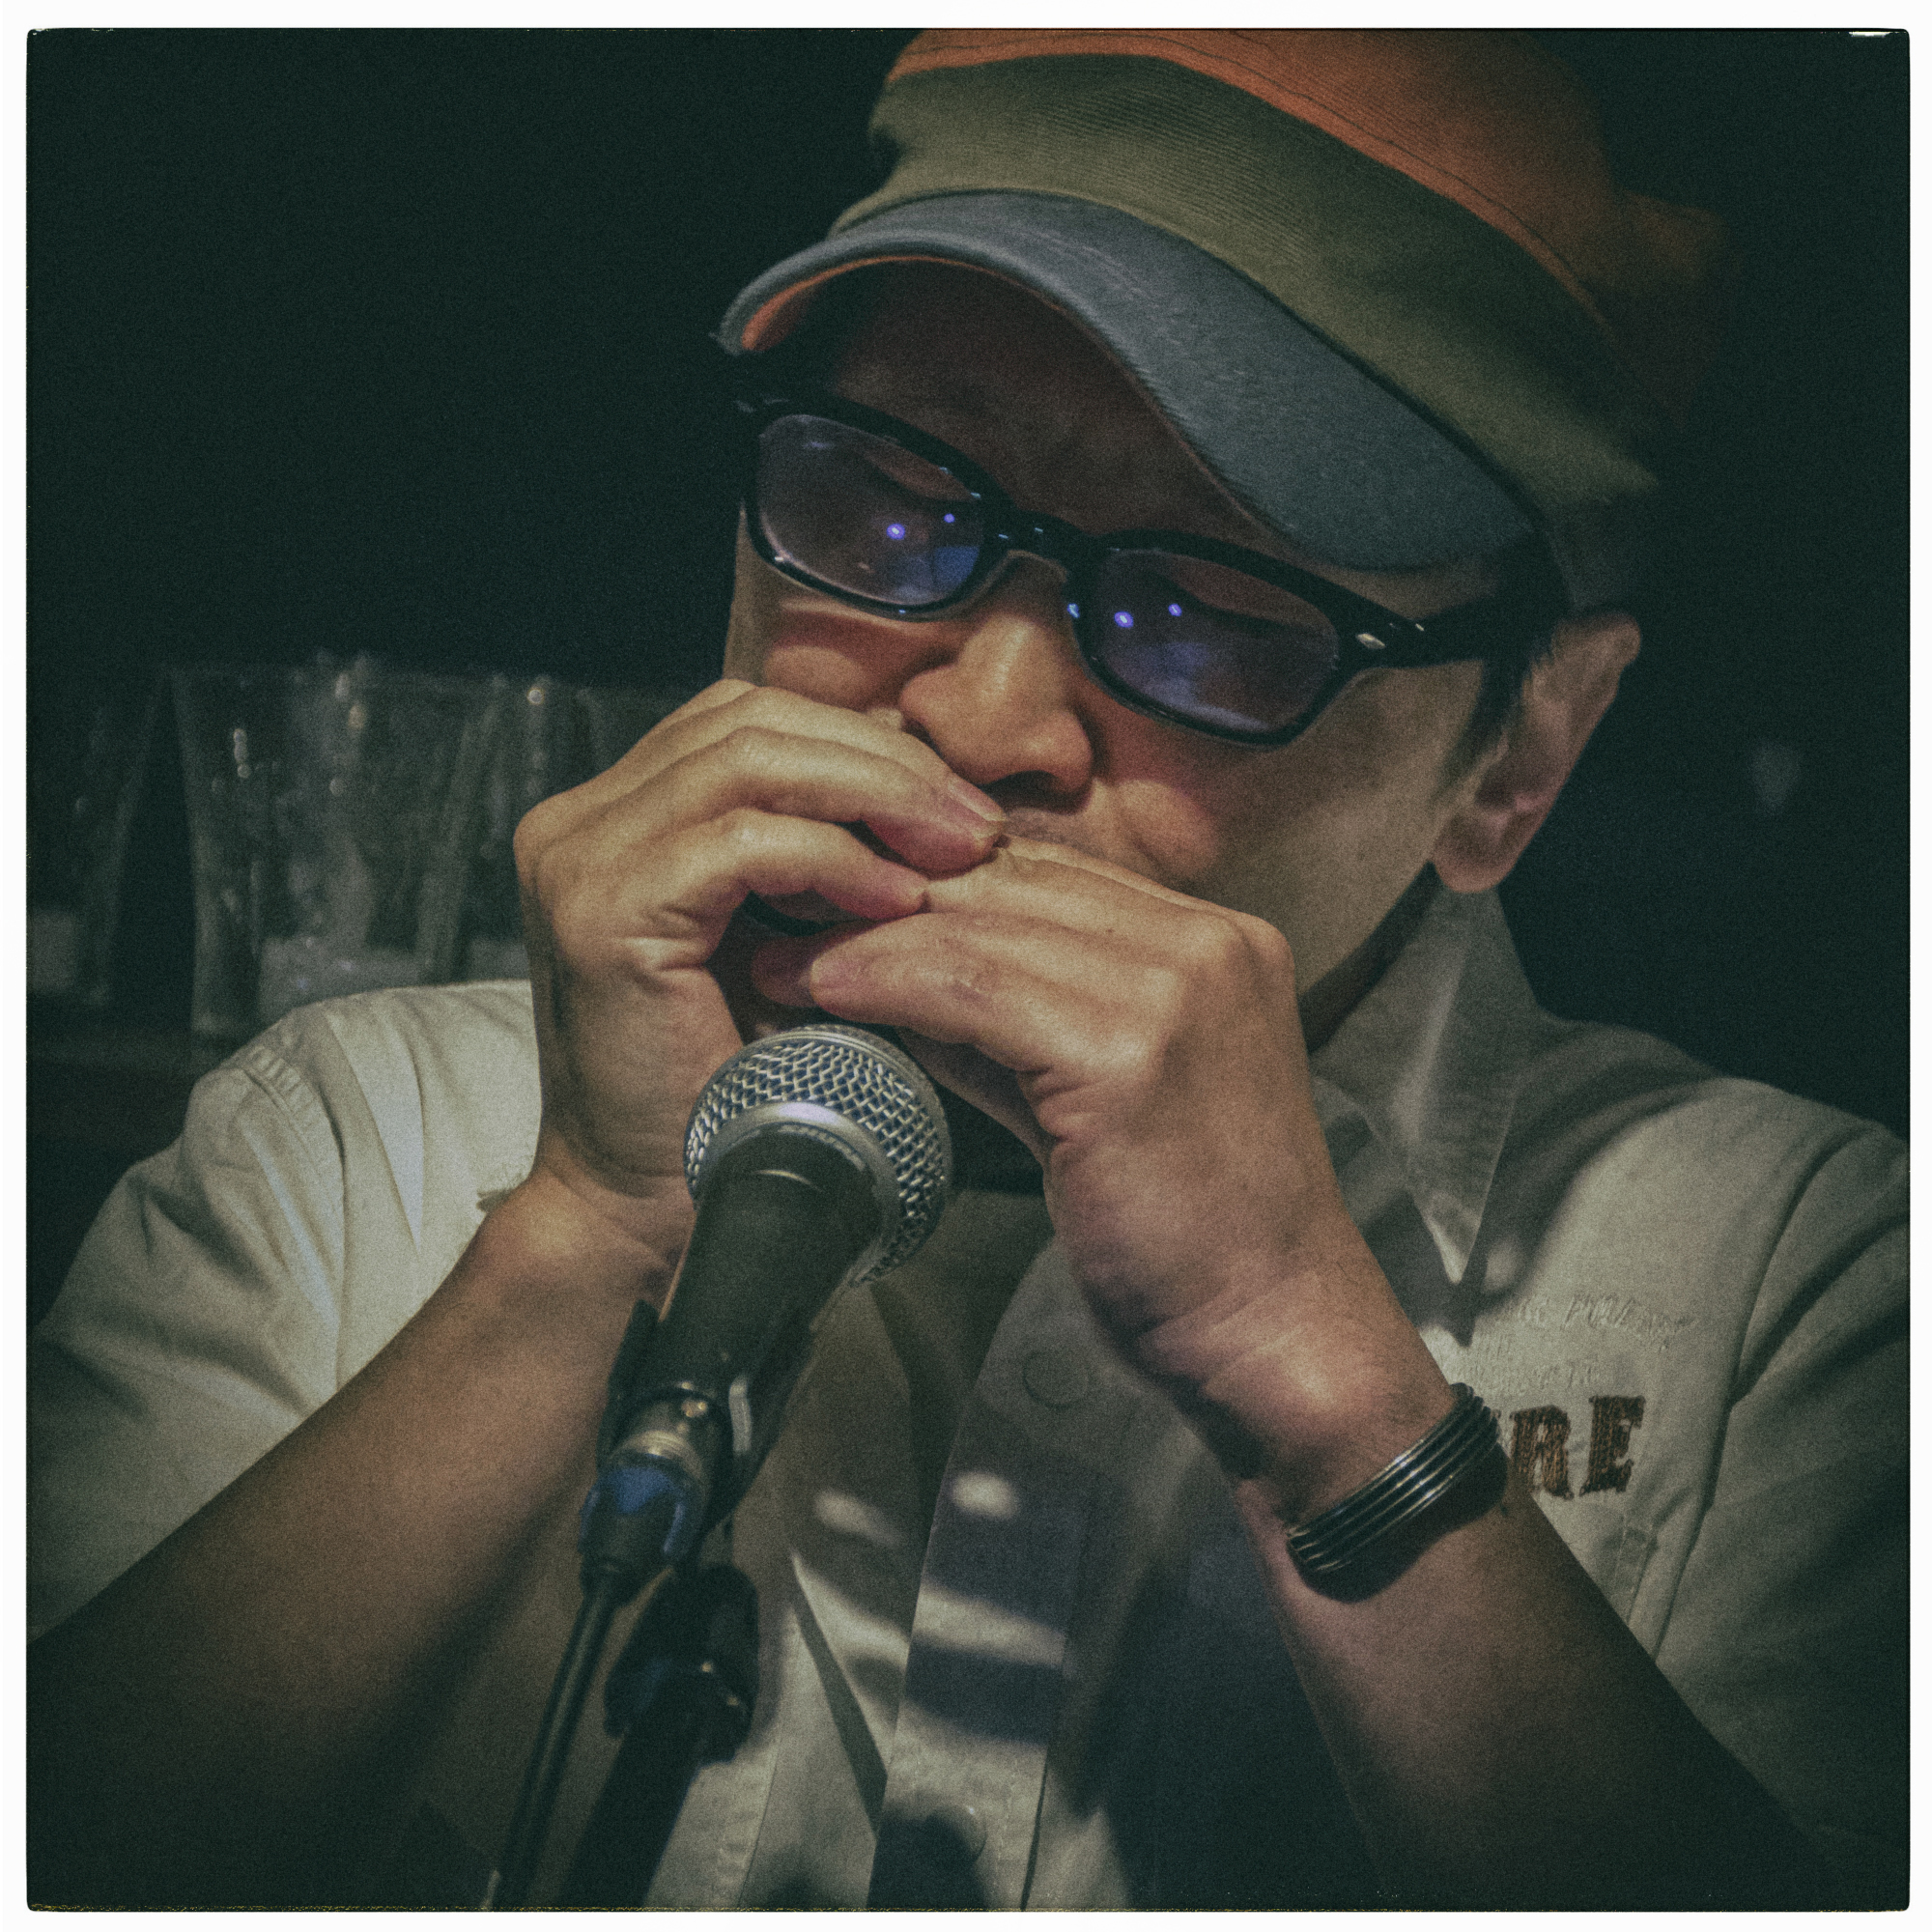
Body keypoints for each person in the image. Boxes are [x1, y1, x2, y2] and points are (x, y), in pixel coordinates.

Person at [27, 29, 1905, 1911]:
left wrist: (1315, 1368)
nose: (983, 713)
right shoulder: (354, 1142)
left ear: (1519, 761)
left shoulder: (1799, 1286)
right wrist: (584, 1237)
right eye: (888, 503)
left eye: (1214, 608)